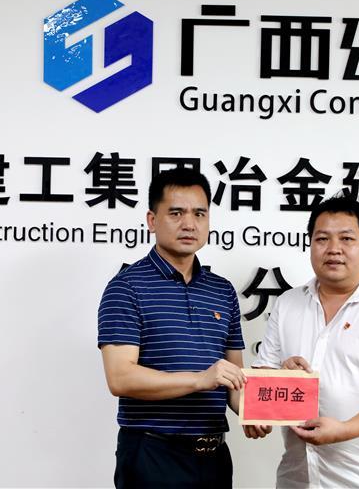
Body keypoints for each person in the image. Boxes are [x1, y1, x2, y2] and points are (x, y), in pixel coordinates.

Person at [251, 193, 359, 488]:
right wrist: (279, 381)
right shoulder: (288, 303)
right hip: (296, 479)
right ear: (310, 244)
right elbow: (263, 379)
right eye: (322, 239)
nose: (333, 249)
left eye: (346, 239)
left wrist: (345, 430)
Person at [97, 167, 248, 488]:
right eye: (176, 213)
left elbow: (235, 381)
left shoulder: (222, 291)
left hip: (215, 457)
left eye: (199, 214)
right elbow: (120, 378)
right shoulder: (126, 287)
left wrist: (260, 410)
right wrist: (200, 379)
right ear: (152, 220)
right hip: (153, 454)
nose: (189, 224)